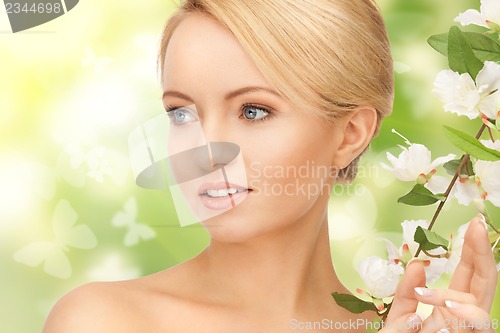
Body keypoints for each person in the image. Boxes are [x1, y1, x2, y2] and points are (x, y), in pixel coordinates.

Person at [43, 0, 498, 332]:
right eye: (182, 112)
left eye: (252, 111)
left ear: (350, 134)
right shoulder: (104, 320)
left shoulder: (400, 328)